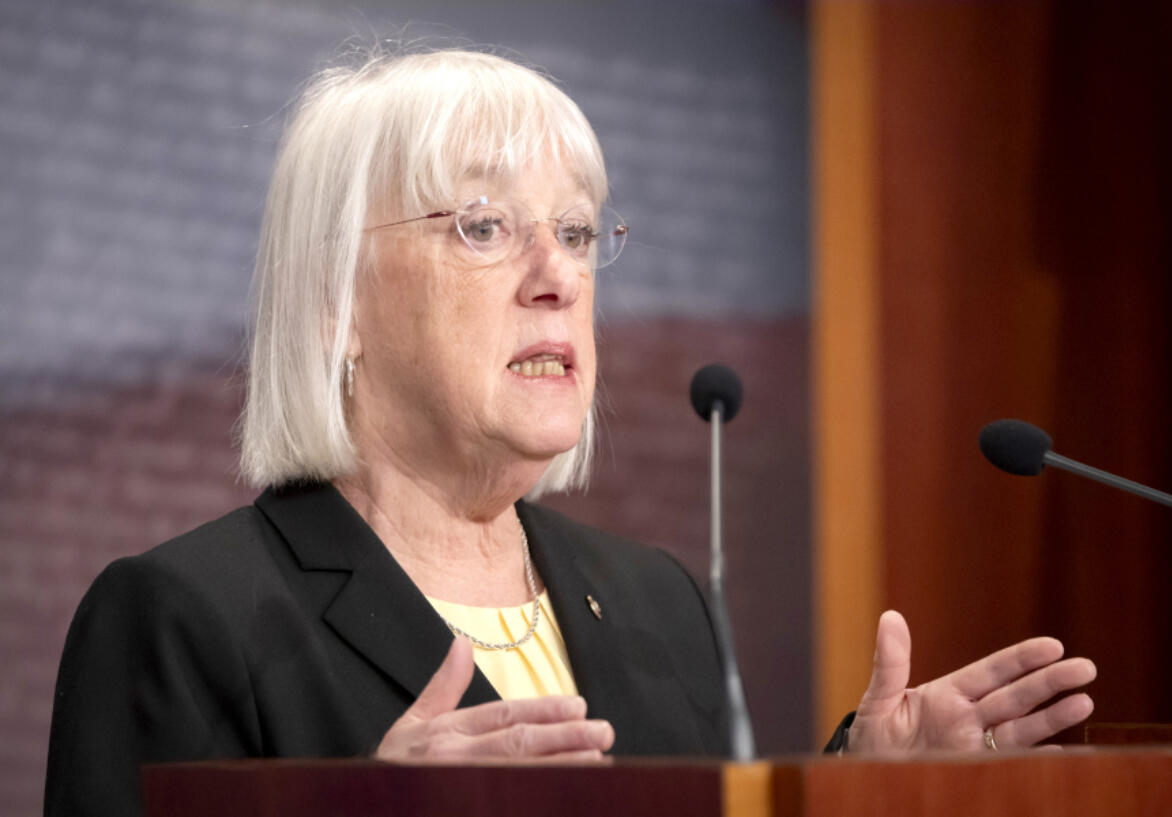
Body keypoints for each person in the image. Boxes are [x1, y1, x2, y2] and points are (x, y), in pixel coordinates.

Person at [44, 48, 1096, 817]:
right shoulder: (185, 618)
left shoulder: (657, 603)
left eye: (579, 233)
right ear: (337, 303)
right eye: (483, 225)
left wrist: (861, 794)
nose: (555, 278)